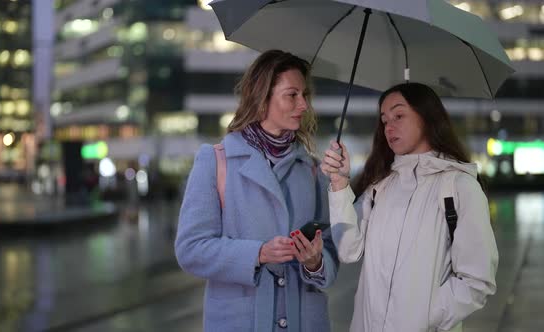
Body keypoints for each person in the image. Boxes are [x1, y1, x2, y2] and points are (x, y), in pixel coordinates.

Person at [175, 50, 339, 332]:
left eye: (305, 95)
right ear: (262, 98)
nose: (303, 105)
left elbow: (332, 250)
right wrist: (258, 253)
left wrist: (315, 263)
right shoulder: (215, 161)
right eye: (292, 95)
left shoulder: (312, 169)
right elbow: (190, 249)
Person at [321, 82, 498, 332]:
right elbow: (348, 249)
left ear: (426, 118)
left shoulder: (460, 187)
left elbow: (477, 280)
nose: (389, 127)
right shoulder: (380, 186)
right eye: (384, 120)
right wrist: (339, 183)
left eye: (399, 115)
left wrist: (426, 316)